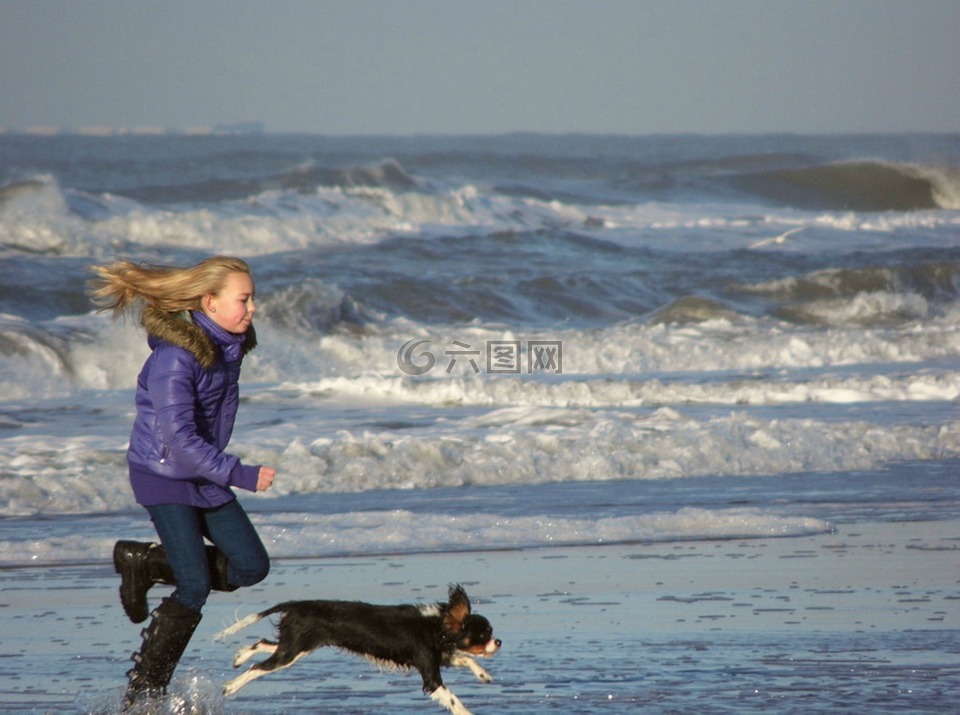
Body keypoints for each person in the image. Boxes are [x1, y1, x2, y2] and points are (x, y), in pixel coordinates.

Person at [88, 256, 276, 709]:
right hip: (165, 474)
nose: (252, 308)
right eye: (243, 299)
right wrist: (240, 474)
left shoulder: (226, 348)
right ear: (209, 302)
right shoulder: (175, 358)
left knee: (251, 566)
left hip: (202, 473)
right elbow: (179, 438)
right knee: (193, 585)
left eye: (252, 298)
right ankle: (145, 689)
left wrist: (220, 471)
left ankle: (148, 563)